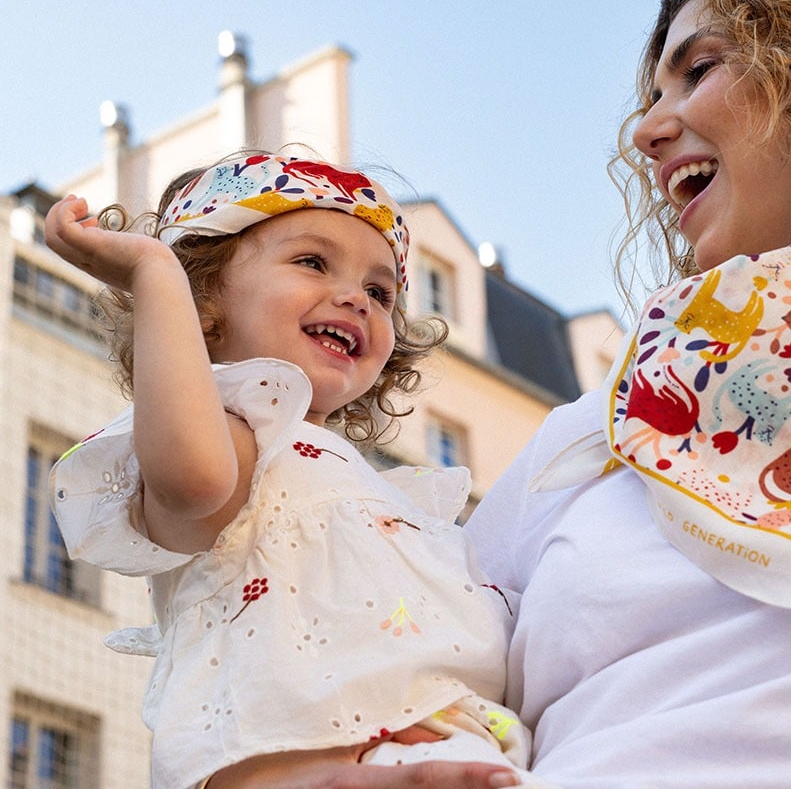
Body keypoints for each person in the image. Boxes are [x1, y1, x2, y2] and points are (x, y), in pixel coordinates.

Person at [201, 0, 791, 789]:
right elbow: (372, 672)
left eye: (701, 67)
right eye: (652, 92)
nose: (645, 129)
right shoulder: (591, 436)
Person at [45, 153, 553, 789]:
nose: (356, 299)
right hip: (291, 762)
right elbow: (194, 482)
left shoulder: (391, 497)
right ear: (202, 297)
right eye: (312, 262)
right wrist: (155, 272)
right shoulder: (236, 440)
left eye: (380, 292)